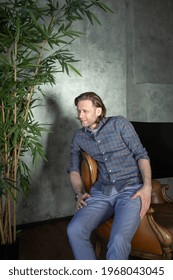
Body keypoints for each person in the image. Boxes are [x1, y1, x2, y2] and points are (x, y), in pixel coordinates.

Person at [67, 92, 152, 260]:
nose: (80, 116)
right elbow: (74, 169)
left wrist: (147, 187)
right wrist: (78, 193)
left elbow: (141, 155)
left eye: (85, 111)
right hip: (101, 192)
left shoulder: (119, 124)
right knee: (74, 229)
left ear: (98, 111)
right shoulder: (79, 136)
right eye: (78, 111)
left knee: (118, 240)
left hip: (131, 190)